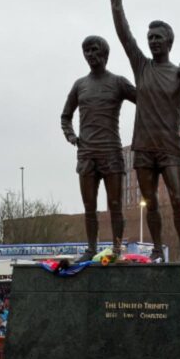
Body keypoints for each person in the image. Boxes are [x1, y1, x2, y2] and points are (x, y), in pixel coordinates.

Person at [107, 0, 180, 262]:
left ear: (169, 41)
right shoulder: (141, 67)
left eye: (158, 37)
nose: (153, 41)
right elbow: (124, 34)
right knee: (150, 203)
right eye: (151, 38)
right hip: (142, 148)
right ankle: (156, 248)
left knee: (178, 200)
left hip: (169, 147)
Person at [61, 34, 137, 262]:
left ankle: (116, 248)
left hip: (111, 152)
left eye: (94, 50)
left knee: (115, 205)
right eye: (87, 51)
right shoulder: (79, 85)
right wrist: (72, 136)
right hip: (86, 154)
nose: (91, 55)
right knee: (89, 206)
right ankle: (91, 248)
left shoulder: (118, 82)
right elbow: (66, 116)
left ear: (104, 53)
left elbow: (145, 100)